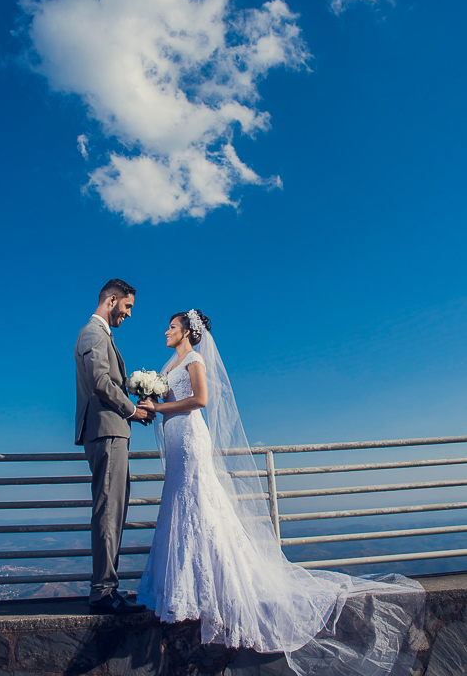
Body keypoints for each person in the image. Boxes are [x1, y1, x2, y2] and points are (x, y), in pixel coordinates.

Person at [136, 310, 425, 674]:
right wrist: (148, 406)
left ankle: (214, 589)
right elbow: (168, 401)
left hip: (191, 438)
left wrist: (159, 405)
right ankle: (182, 590)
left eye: (173, 327)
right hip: (176, 437)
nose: (167, 330)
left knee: (199, 506)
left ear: (188, 333)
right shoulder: (169, 365)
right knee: (180, 507)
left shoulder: (194, 359)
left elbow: (202, 400)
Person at [75, 278, 155, 615]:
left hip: (111, 432)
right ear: (111, 300)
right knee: (109, 510)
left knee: (114, 509)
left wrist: (138, 397)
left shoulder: (101, 336)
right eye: (127, 306)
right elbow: (100, 381)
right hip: (107, 433)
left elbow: (110, 382)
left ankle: (108, 587)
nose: (129, 313)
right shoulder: (93, 333)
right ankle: (103, 592)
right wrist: (132, 409)